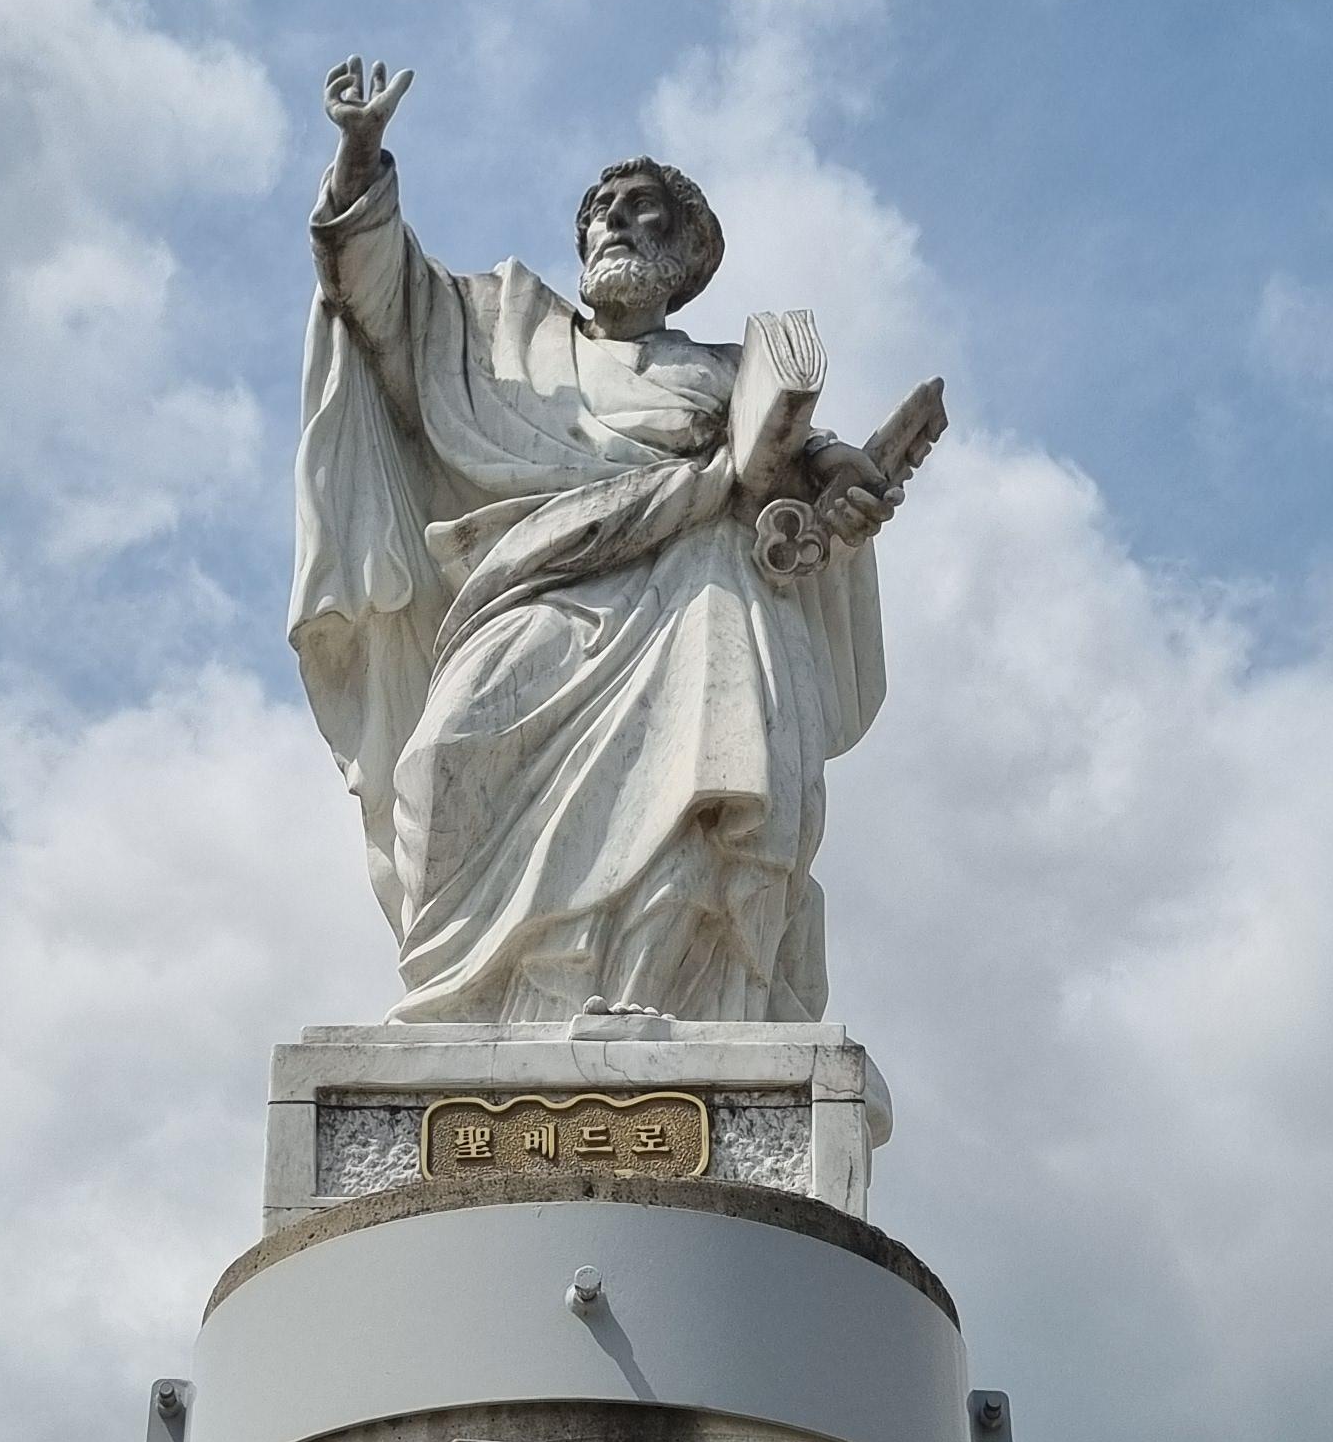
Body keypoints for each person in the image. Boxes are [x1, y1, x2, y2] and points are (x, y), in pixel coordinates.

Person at [289, 55, 917, 1024]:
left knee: (709, 767)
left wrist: (841, 495)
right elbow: (377, 297)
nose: (617, 222)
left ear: (688, 253)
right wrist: (361, 155)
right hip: (528, 590)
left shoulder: (728, 375)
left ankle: (648, 994)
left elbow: (808, 498)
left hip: (701, 592)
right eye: (602, 210)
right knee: (447, 754)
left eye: (643, 209)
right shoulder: (502, 331)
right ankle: (478, 1000)